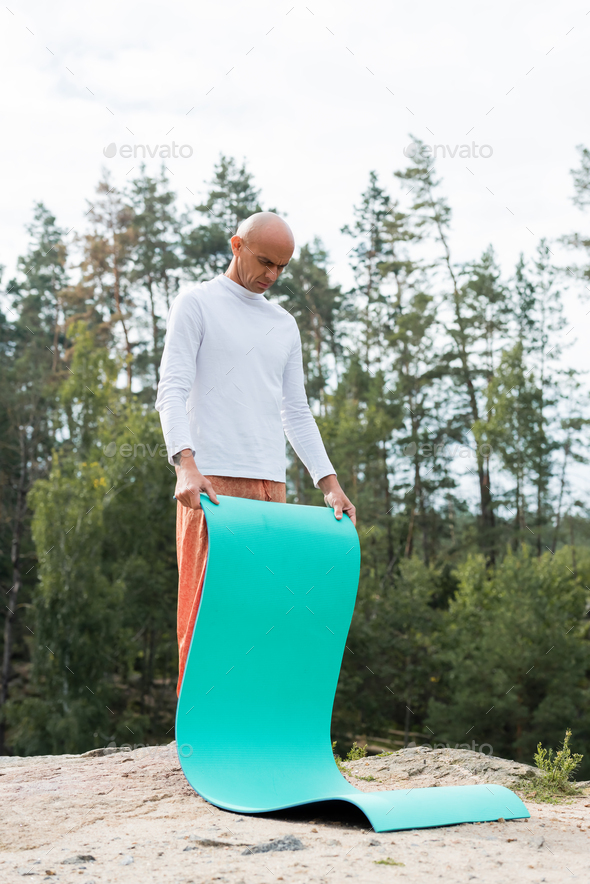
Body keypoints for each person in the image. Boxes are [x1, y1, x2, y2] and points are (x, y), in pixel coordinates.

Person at [155, 212, 356, 693]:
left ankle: (253, 740)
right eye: (265, 261)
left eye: (283, 267)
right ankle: (198, 743)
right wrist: (185, 464)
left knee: (264, 618)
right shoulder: (197, 303)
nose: (273, 275)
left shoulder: (283, 324)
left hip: (272, 487)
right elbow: (171, 388)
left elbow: (296, 411)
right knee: (207, 617)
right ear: (236, 245)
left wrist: (329, 484)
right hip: (211, 486)